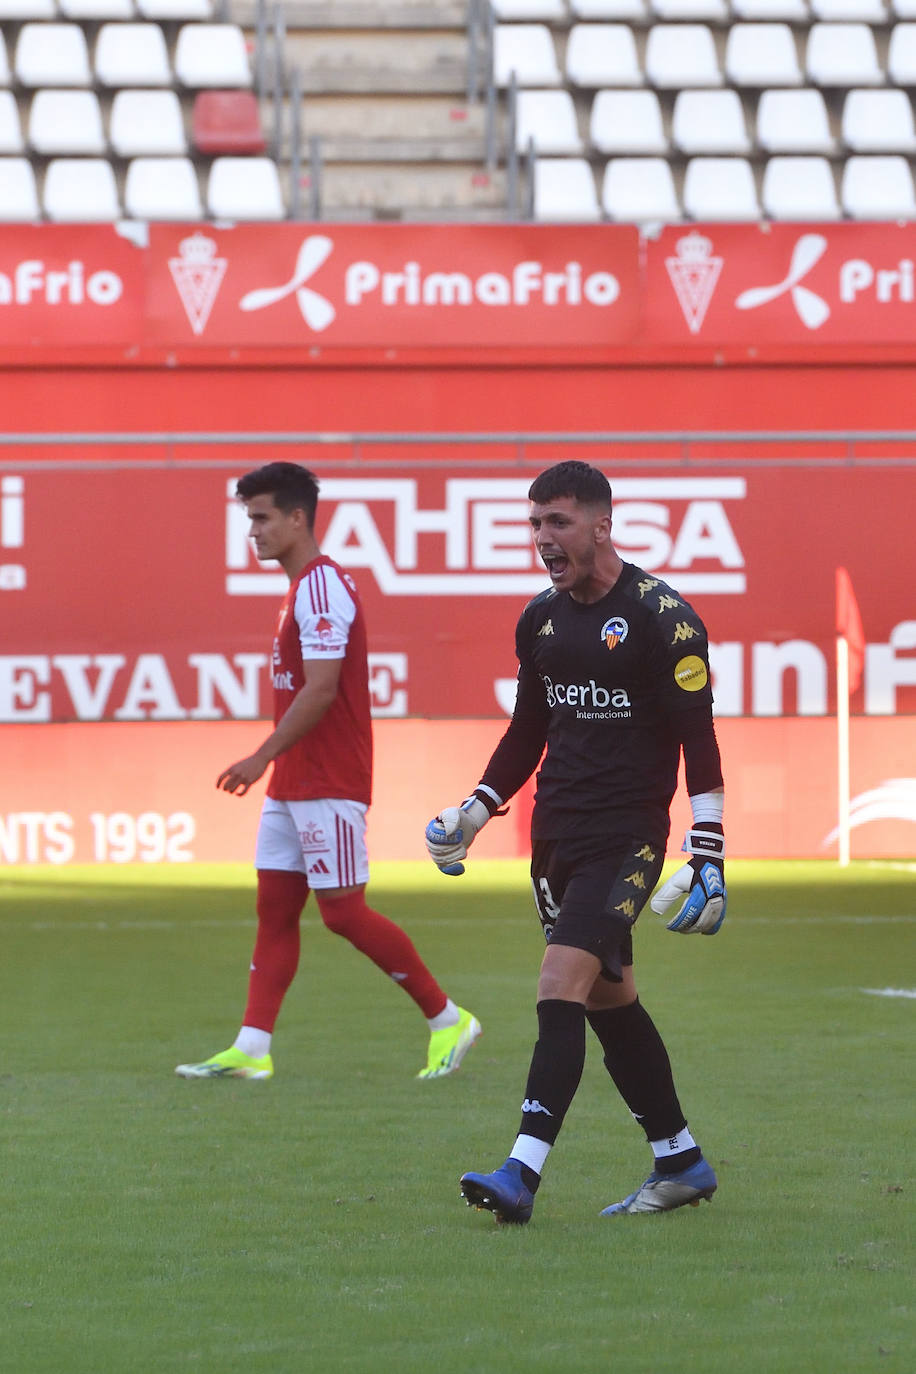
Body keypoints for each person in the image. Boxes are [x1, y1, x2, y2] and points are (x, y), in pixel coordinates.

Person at [425, 460, 726, 1223]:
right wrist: (474, 810)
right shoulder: (541, 620)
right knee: (608, 1000)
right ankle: (680, 1158)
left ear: (601, 524)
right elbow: (531, 727)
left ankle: (520, 1174)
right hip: (554, 834)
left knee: (558, 985)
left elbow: (701, 742)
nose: (542, 540)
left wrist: (710, 854)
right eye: (534, 525)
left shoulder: (665, 619)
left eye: (557, 523)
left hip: (626, 839)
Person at [177, 462, 480, 1082]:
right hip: (297, 780)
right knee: (276, 908)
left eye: (262, 517)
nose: (253, 531)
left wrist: (261, 755)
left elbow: (320, 691)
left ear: (297, 518)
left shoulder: (321, 587)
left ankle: (447, 1019)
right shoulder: (299, 591)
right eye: (248, 518)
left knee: (342, 913)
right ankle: (253, 1048)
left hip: (329, 778)